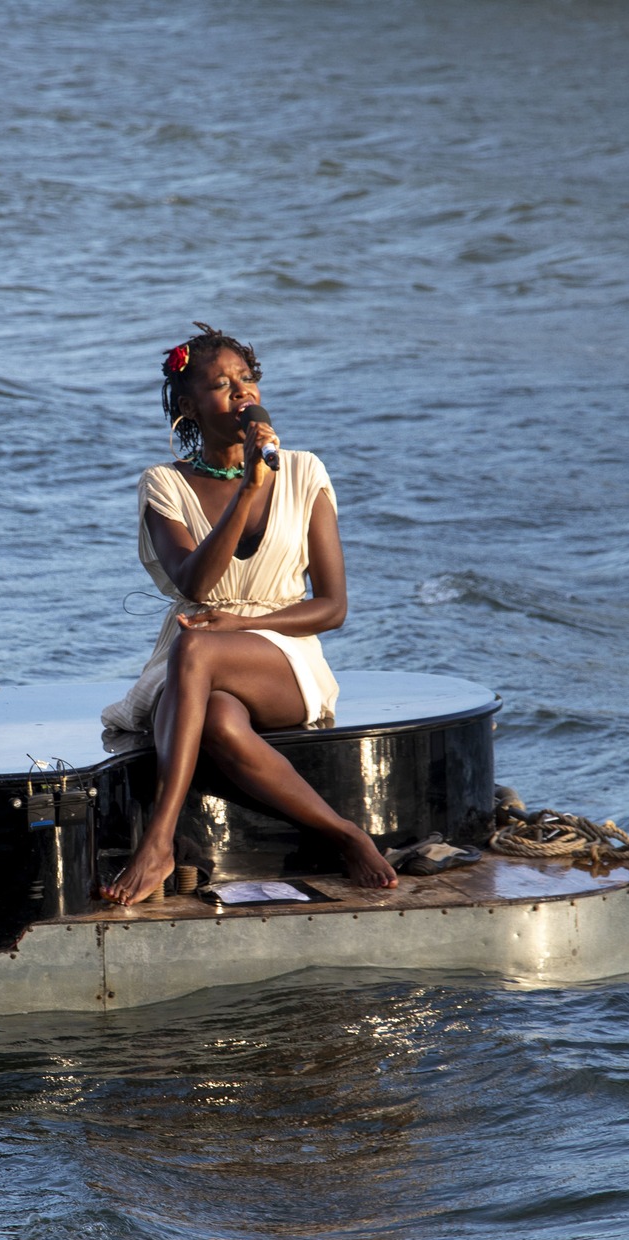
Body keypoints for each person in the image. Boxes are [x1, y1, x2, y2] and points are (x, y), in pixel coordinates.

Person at [99, 325, 399, 904]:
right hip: (195, 652)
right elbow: (195, 582)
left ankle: (158, 842)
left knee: (199, 646)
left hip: (281, 657)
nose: (240, 392)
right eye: (219, 384)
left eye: (247, 379)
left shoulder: (306, 472)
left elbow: (332, 606)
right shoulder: (164, 484)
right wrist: (246, 488)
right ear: (188, 407)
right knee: (214, 716)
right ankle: (342, 831)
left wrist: (240, 625)